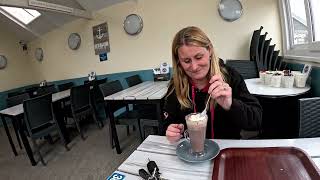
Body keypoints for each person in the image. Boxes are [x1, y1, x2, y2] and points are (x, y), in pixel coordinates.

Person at [163, 26, 262, 142]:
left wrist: (231, 104)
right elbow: (167, 122)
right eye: (186, 61)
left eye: (199, 57)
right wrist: (171, 130)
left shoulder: (231, 77)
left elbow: (256, 120)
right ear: (179, 61)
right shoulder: (176, 85)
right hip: (191, 152)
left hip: (226, 151)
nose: (194, 67)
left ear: (209, 51)